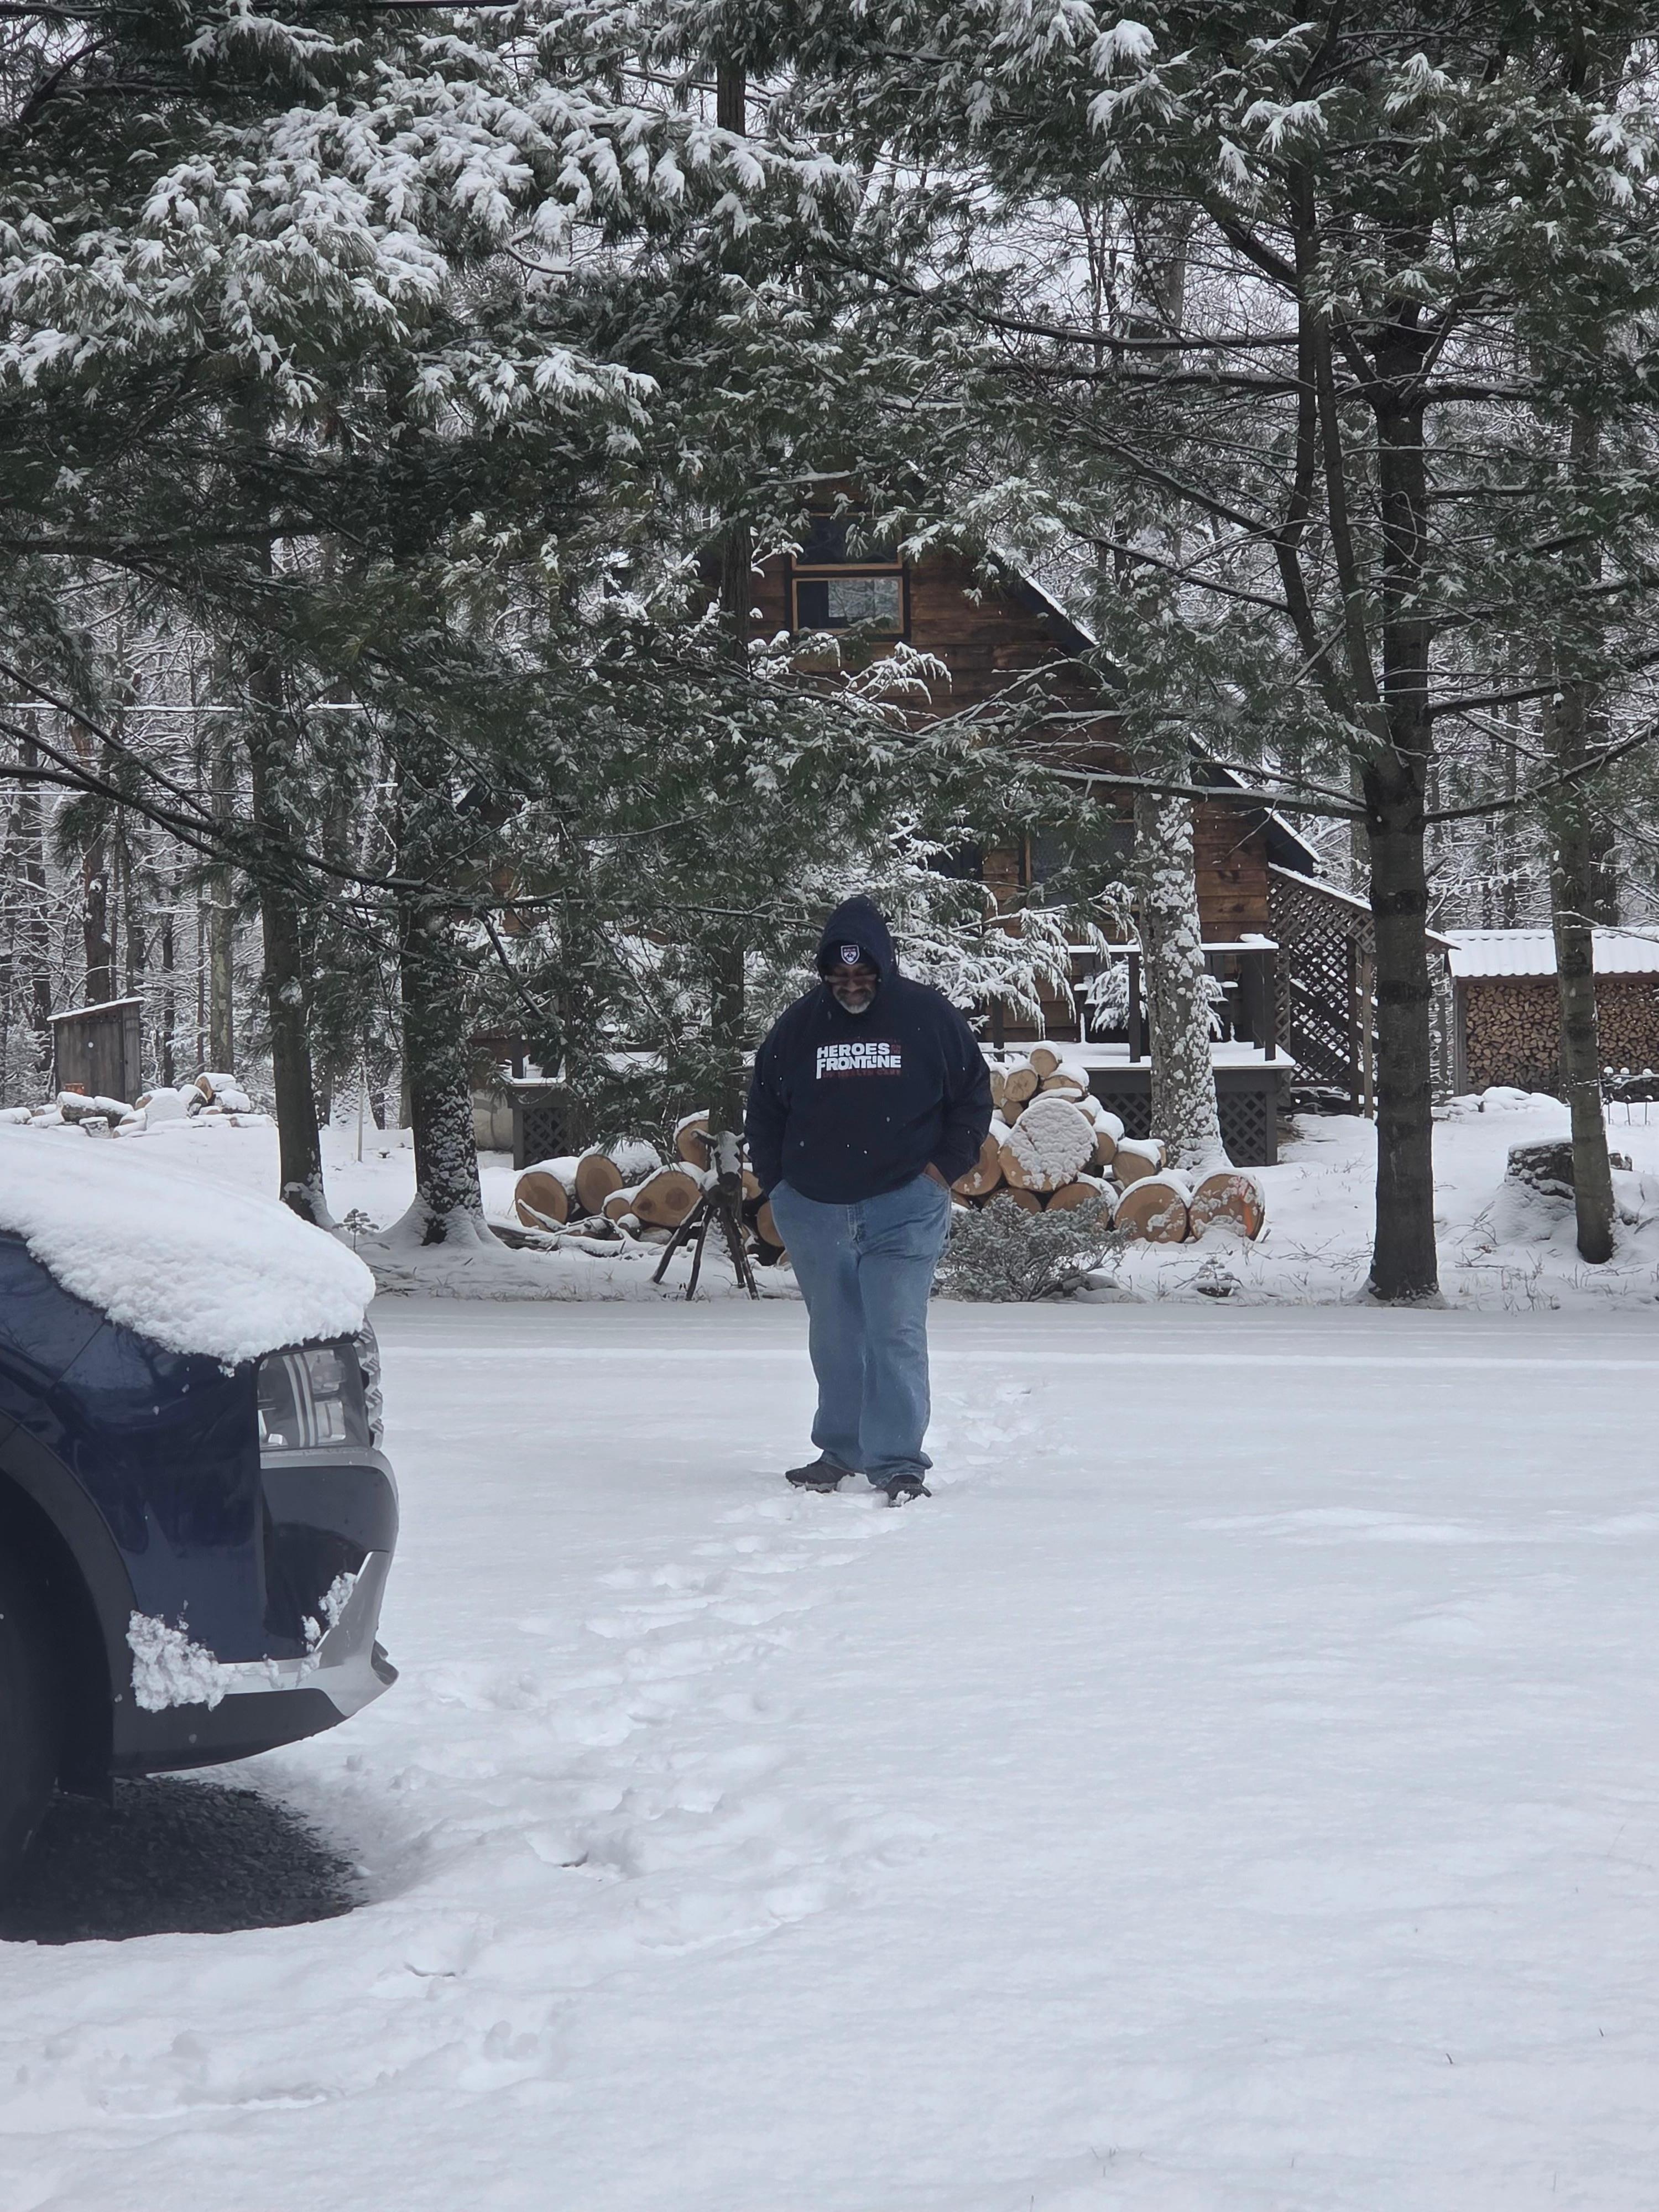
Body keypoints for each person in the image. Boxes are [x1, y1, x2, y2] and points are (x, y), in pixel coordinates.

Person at [745, 894, 993, 1505]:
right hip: (815, 1208)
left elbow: (973, 1095)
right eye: (839, 976)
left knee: (895, 1331)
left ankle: (898, 1461)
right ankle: (841, 1451)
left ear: (885, 967)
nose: (851, 987)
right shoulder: (798, 1027)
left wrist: (941, 1172)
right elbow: (764, 1111)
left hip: (904, 1205)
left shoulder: (928, 1017)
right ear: (824, 973)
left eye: (863, 975)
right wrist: (780, 1186)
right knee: (834, 1334)